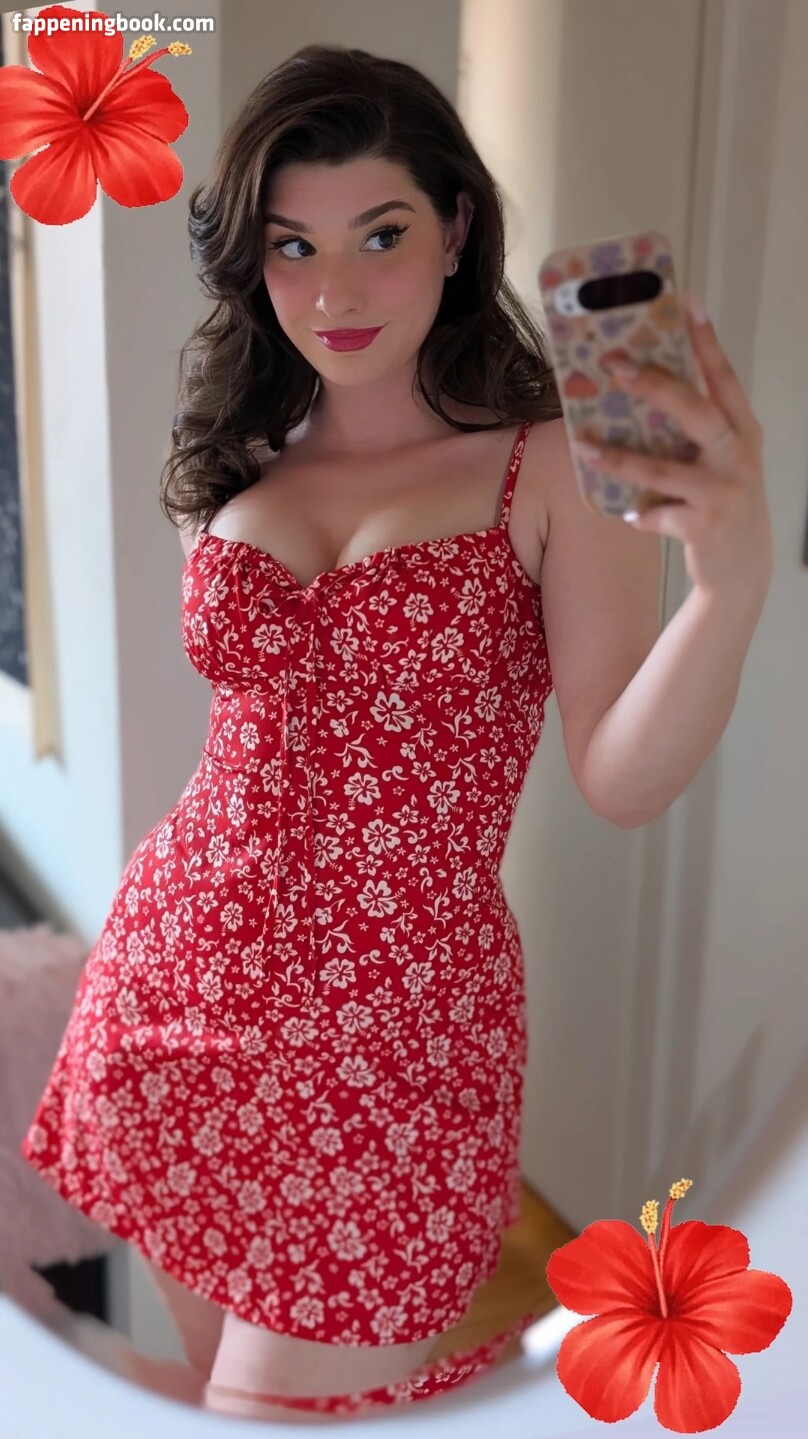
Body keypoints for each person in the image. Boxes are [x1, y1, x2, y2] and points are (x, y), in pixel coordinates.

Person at [20, 43, 772, 1423]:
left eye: (381, 235)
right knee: (203, 1397)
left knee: (261, 1405)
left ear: (457, 228)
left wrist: (728, 588)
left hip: (400, 1038)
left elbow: (618, 776)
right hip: (181, 979)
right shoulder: (237, 457)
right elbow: (256, 744)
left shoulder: (547, 467)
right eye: (293, 247)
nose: (336, 294)